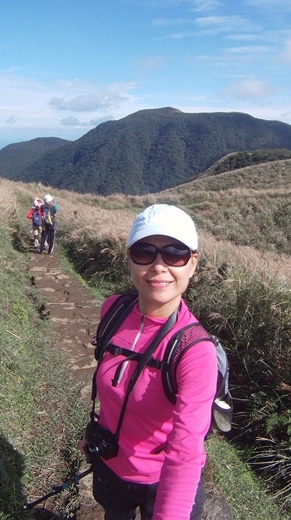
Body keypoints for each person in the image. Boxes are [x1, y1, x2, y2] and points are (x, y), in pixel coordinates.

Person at [83, 204, 217, 520]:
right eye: (145, 251)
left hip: (163, 484)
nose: (159, 265)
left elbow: (186, 453)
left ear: (193, 263)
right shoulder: (113, 311)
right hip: (111, 469)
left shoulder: (195, 351)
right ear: (129, 258)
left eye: (175, 253)